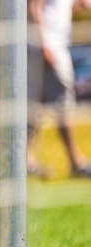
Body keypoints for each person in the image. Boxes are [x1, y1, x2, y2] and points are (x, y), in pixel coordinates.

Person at [28, 0, 91, 177]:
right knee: (62, 102)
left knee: (36, 104)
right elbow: (34, 6)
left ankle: (27, 162)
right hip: (48, 46)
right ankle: (76, 162)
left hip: (56, 45)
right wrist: (44, 44)